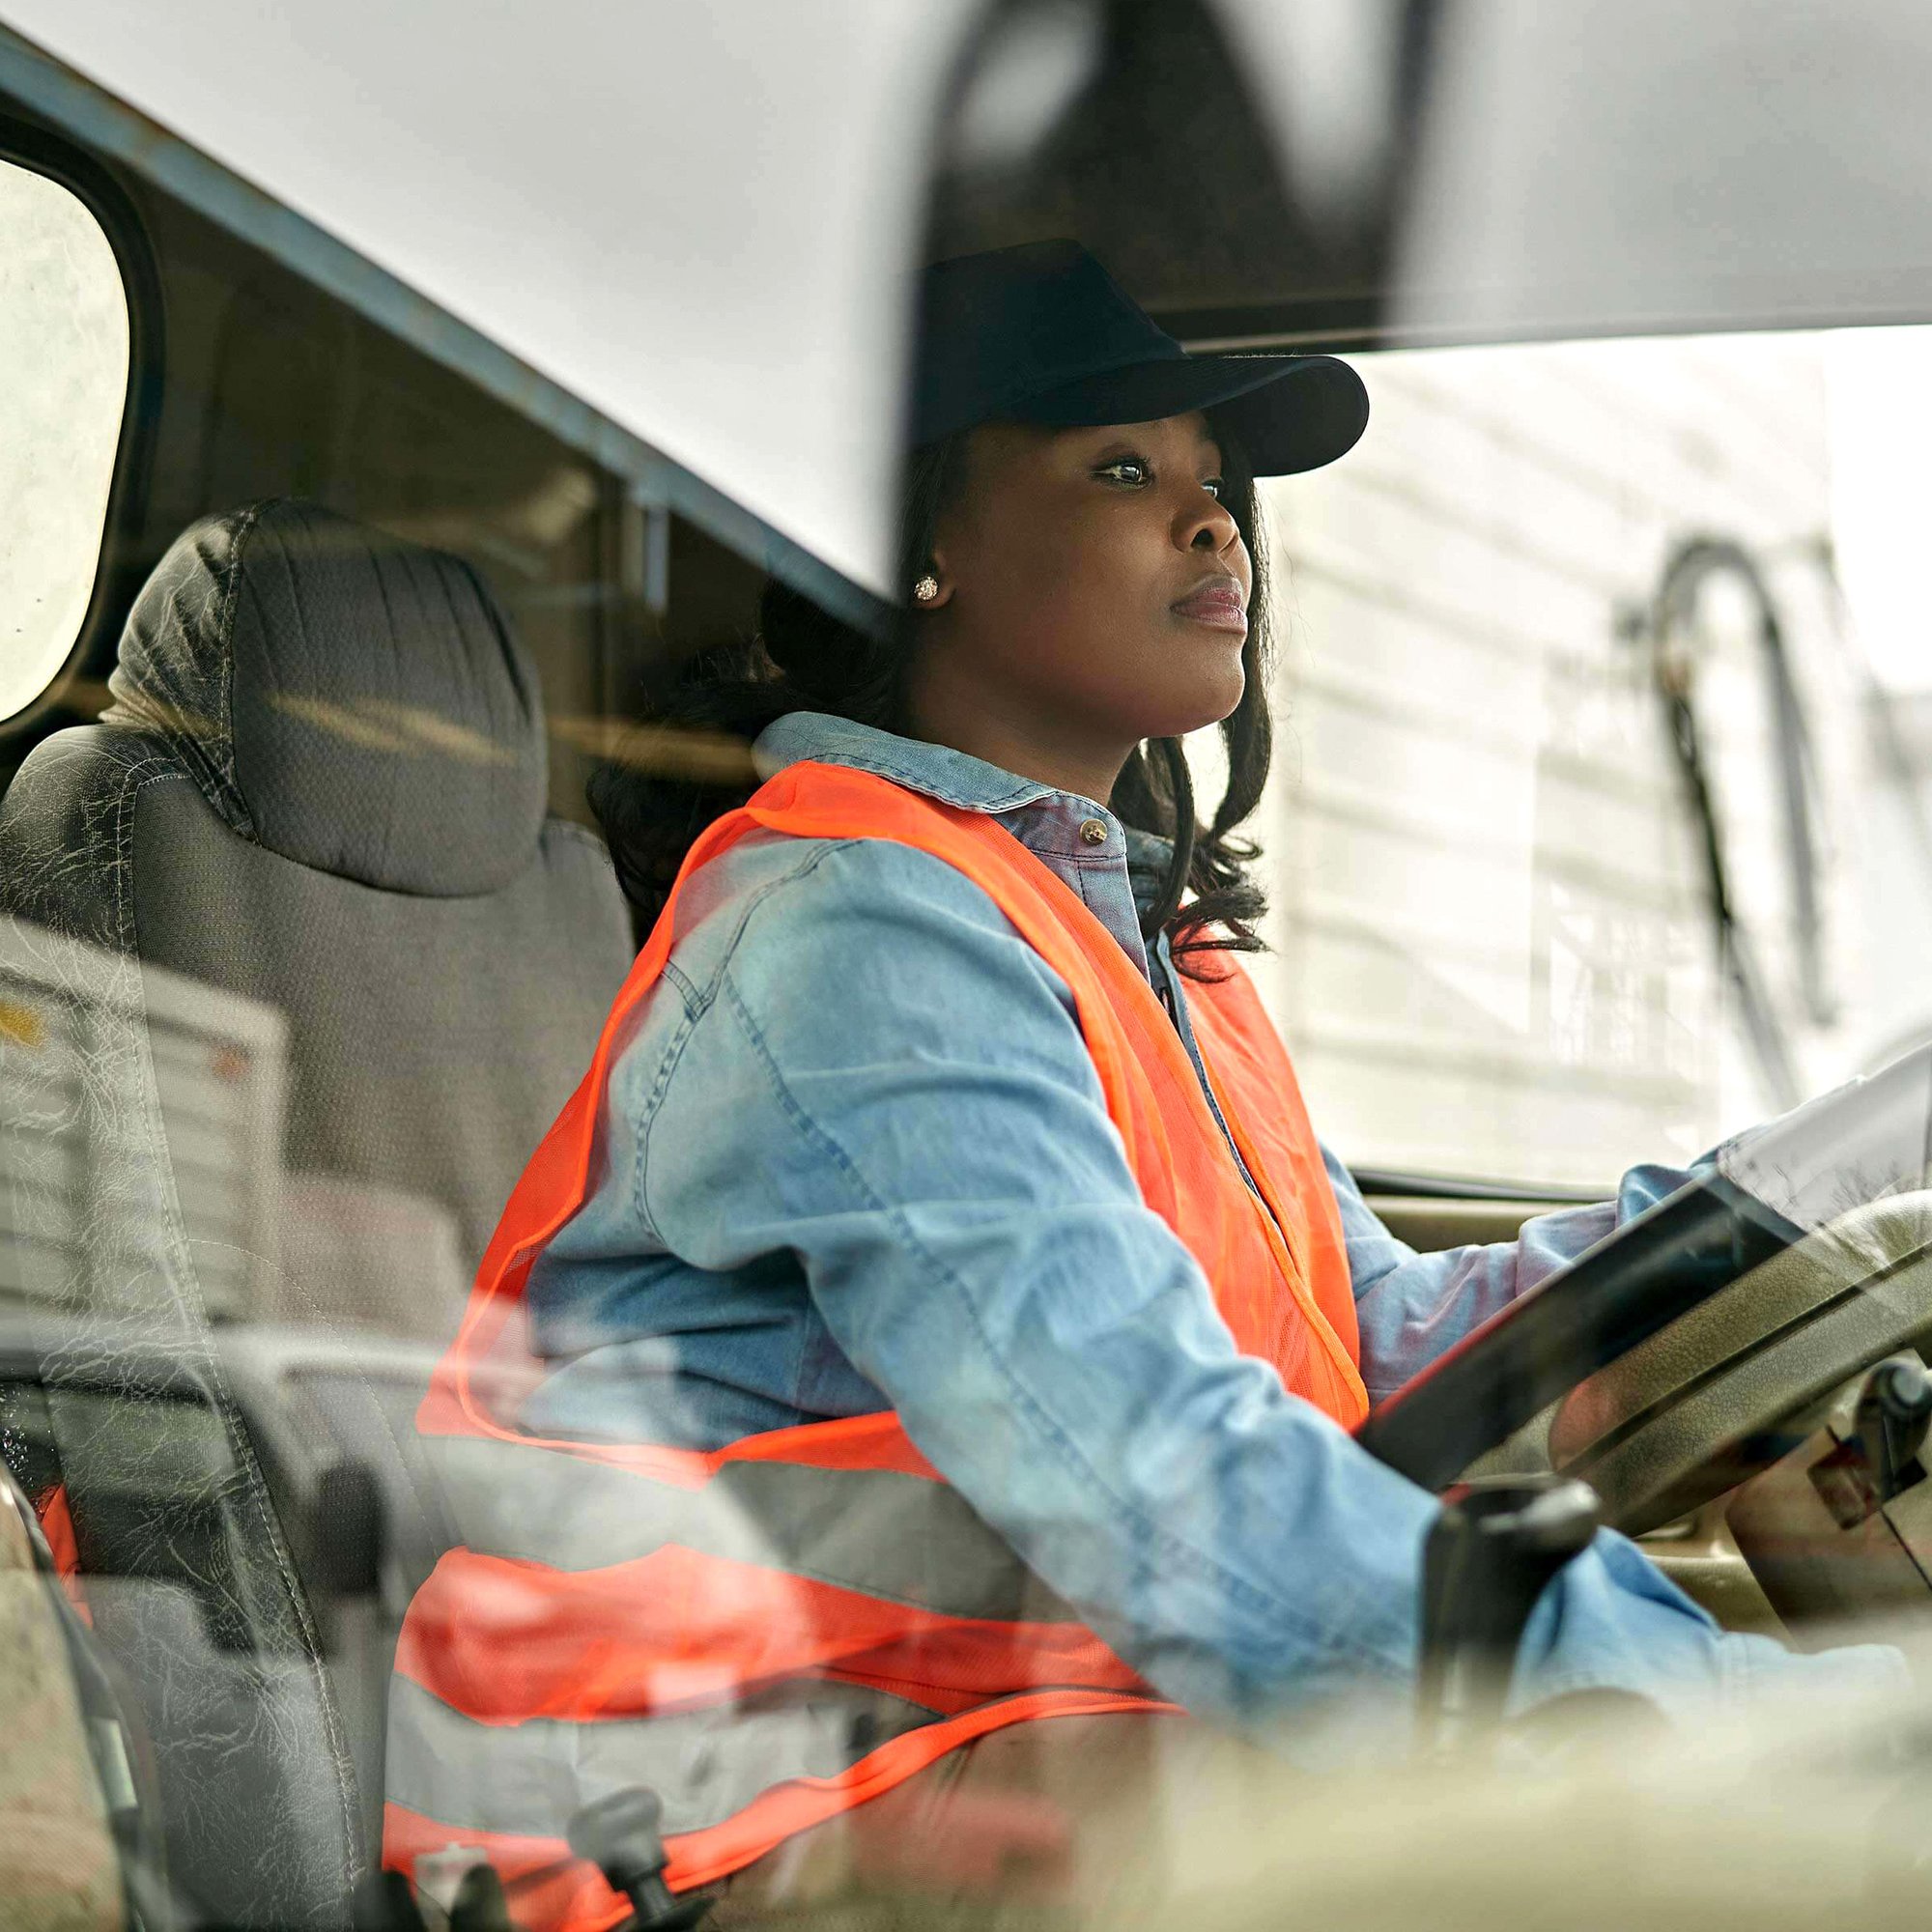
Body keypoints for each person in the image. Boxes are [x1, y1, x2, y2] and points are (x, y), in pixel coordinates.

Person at [382, 242, 1903, 1928]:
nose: (1214, 521)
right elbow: (1154, 1473)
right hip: (710, 1816)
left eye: (1215, 476)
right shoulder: (858, 930)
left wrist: (1796, 1201)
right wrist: (1715, 1709)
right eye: (1125, 469)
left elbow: (1377, 1342)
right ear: (927, 552)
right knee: (1679, 1840)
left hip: (982, 1730)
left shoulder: (1151, 956)